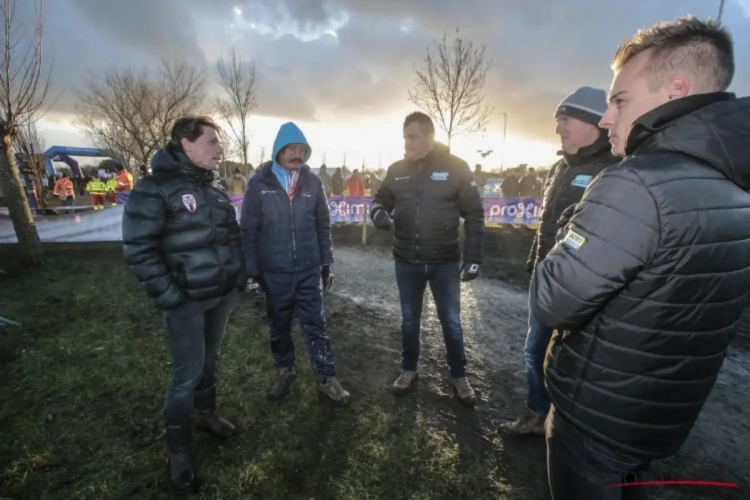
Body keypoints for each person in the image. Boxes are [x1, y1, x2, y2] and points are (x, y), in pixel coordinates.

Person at [531, 16, 750, 500]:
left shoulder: (635, 183)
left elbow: (552, 299)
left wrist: (574, 225)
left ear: (676, 90)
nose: (607, 117)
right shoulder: (735, 185)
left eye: (619, 101)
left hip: (597, 417)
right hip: (661, 415)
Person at [122, 116, 246, 494]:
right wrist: (172, 298)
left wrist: (237, 279)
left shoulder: (214, 188)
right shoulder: (153, 189)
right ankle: (178, 452)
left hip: (220, 296)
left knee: (210, 362)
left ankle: (206, 414)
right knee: (185, 375)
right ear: (185, 143)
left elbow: (231, 237)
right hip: (186, 303)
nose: (220, 150)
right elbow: (139, 250)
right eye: (212, 141)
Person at [500, 86, 617, 436]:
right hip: (547, 282)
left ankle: (571, 428)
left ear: (591, 122)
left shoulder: (614, 170)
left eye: (563, 119)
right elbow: (548, 226)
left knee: (577, 367)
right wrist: (536, 264)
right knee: (534, 352)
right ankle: (539, 413)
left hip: (587, 294)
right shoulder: (557, 168)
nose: (557, 128)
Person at [369, 111, 484, 406]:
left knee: (452, 322)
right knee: (409, 320)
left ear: (429, 136)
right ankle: (408, 370)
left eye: (413, 136)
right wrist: (378, 213)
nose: (407, 142)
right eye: (405, 137)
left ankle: (459, 375)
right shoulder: (396, 170)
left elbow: (474, 214)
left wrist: (473, 257)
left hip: (445, 262)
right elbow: (379, 200)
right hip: (407, 261)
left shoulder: (456, 167)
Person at [240, 121, 351, 405]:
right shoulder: (258, 184)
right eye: (291, 148)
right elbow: (248, 230)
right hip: (274, 272)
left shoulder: (313, 183)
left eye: (302, 149)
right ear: (278, 150)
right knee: (279, 325)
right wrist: (252, 272)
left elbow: (323, 225)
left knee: (316, 326)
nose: (297, 154)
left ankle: (327, 378)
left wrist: (326, 263)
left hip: (307, 269)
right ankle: (285, 370)